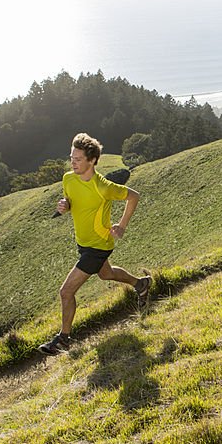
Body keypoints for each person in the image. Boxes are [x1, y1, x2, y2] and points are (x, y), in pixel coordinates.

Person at [38, 132, 151, 355]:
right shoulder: (68, 179)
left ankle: (63, 339)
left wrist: (122, 225)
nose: (73, 162)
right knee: (106, 274)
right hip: (83, 243)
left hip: (99, 244)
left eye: (78, 159)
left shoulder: (103, 187)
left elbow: (134, 196)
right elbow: (72, 202)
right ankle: (141, 284)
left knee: (66, 292)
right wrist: (64, 206)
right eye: (72, 157)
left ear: (92, 160)